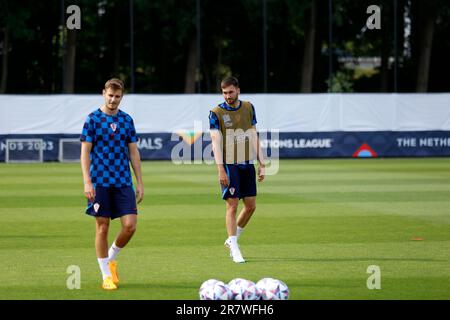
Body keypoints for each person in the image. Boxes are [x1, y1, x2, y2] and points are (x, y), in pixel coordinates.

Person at [80, 78, 144, 290]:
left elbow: (133, 152)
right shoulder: (93, 119)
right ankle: (106, 275)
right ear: (103, 93)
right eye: (110, 95)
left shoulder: (127, 120)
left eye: (117, 96)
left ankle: (111, 258)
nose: (113, 99)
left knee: (130, 226)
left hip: (123, 181)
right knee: (102, 226)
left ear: (121, 97)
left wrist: (140, 182)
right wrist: (87, 181)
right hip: (99, 182)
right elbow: (85, 152)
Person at [209, 76, 265, 263]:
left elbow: (254, 134)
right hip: (228, 163)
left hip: (247, 162)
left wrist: (262, 163)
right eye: (224, 93)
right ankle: (234, 247)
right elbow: (216, 143)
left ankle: (232, 240)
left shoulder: (249, 107)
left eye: (231, 92)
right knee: (232, 205)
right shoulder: (215, 113)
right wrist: (220, 170)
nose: (227, 96)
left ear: (238, 90)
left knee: (250, 206)